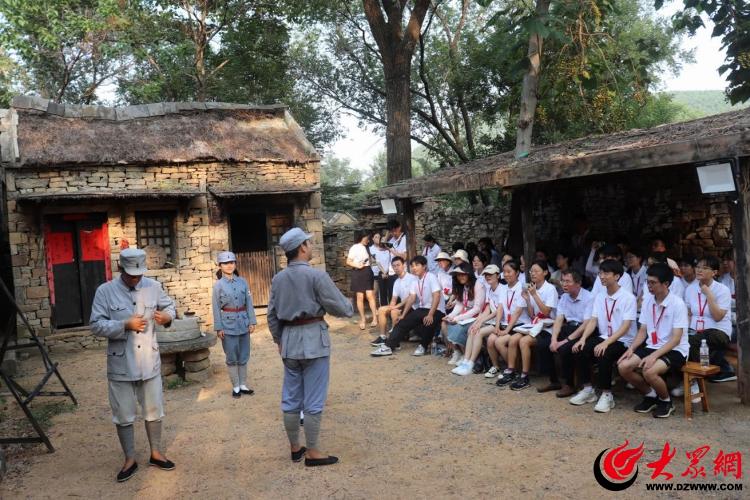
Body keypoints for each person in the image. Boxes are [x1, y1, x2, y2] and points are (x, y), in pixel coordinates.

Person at [268, 227, 354, 467]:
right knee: (314, 399)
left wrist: (278, 340)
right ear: (302, 248)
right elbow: (341, 308)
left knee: (291, 397)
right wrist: (348, 307)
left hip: (289, 340)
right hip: (314, 339)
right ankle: (313, 451)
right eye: (309, 242)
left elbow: (272, 316)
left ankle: (295, 448)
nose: (311, 246)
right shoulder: (317, 276)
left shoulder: (278, 278)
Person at [90, 248, 177, 482]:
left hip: (149, 361)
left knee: (154, 409)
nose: (135, 279)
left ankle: (156, 452)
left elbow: (170, 307)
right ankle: (129, 458)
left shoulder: (153, 286)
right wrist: (123, 325)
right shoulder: (105, 291)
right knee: (124, 414)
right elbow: (96, 325)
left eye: (138, 274)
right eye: (131, 275)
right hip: (121, 364)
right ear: (120, 268)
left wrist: (168, 317)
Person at [617, 263, 689, 418]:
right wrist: (631, 349)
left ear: (666, 284)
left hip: (675, 349)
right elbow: (643, 330)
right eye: (647, 282)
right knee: (623, 366)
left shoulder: (677, 304)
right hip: (653, 345)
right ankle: (651, 395)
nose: (649, 286)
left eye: (653, 283)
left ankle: (666, 401)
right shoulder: (648, 301)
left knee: (649, 371)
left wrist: (654, 356)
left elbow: (676, 339)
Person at [569, 259, 637, 413]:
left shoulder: (628, 298)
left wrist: (607, 343)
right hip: (605, 336)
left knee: (604, 353)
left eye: (606, 273)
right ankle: (588, 390)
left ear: (617, 276)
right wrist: (582, 339)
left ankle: (607, 395)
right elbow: (593, 320)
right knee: (580, 348)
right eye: (600, 273)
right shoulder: (600, 297)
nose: (602, 276)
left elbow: (626, 327)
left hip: (623, 340)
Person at [370, 256, 446, 357]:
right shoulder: (415, 281)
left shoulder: (431, 277)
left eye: (417, 265)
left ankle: (423, 346)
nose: (414, 268)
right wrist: (404, 315)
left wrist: (431, 314)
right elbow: (411, 298)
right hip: (422, 308)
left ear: (424, 266)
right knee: (402, 322)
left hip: (437, 309)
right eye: (413, 266)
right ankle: (388, 346)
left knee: (428, 322)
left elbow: (436, 295)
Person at [501, 260, 558, 391]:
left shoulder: (550, 289)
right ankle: (511, 371)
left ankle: (525, 375)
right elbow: (532, 314)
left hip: (548, 328)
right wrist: (527, 299)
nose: (533, 273)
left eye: (536, 271)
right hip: (535, 325)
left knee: (524, 341)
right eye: (531, 271)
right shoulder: (532, 287)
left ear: (545, 272)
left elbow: (546, 312)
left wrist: (533, 295)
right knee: (514, 339)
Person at [683, 255, 735, 384]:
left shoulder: (722, 290)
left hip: (718, 331)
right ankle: (686, 377)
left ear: (714, 273)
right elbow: (688, 314)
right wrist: (684, 330)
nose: (699, 270)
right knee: (680, 339)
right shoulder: (690, 289)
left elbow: (718, 317)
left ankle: (694, 381)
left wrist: (709, 296)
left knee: (693, 342)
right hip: (695, 329)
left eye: (705, 268)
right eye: (698, 267)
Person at [212, 251, 257, 399]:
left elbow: (249, 303)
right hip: (228, 325)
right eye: (225, 263)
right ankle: (236, 386)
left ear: (235, 264)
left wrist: (252, 321)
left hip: (243, 323)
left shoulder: (243, 282)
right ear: (220, 266)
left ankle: (243, 384)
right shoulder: (218, 285)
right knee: (231, 356)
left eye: (232, 262)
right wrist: (219, 327)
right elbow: (216, 307)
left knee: (244, 355)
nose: (229, 265)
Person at [545, 270, 593, 397]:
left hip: (584, 331)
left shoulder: (589, 297)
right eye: (562, 281)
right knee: (546, 343)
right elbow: (559, 319)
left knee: (565, 348)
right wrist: (554, 339)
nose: (564, 284)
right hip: (568, 327)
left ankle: (569, 384)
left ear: (578, 283)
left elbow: (586, 324)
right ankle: (554, 381)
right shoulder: (564, 297)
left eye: (568, 281)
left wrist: (565, 341)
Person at [451, 264, 502, 376]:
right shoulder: (490, 290)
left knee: (478, 332)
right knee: (473, 329)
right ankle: (466, 361)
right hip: (490, 321)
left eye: (490, 274)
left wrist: (481, 322)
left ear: (498, 275)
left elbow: (497, 311)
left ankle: (471, 363)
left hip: (500, 322)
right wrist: (478, 322)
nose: (488, 277)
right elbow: (487, 309)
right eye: (486, 275)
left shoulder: (502, 289)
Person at [491, 260, 532, 386]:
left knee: (500, 341)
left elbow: (518, 312)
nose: (506, 275)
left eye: (509, 272)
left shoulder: (522, 287)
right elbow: (500, 308)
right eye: (505, 272)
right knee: (492, 339)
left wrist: (506, 330)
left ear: (517, 273)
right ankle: (513, 369)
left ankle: (513, 370)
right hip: (507, 324)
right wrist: (497, 326)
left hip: (520, 325)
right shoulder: (503, 288)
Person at [443, 262, 486, 368]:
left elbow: (477, 308)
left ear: (469, 274)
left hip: (477, 317)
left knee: (459, 327)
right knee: (445, 323)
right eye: (458, 275)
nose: (460, 277)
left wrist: (458, 318)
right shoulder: (462, 287)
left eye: (463, 274)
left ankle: (464, 354)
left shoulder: (478, 285)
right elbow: (460, 304)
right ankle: (457, 351)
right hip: (465, 315)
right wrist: (451, 316)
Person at [370, 256, 417, 347]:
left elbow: (411, 297)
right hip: (402, 306)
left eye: (398, 265)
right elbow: (393, 300)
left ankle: (395, 340)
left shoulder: (412, 278)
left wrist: (395, 307)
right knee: (381, 309)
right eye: (394, 266)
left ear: (404, 265)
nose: (396, 268)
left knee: (394, 312)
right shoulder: (397, 282)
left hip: (413, 306)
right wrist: (391, 307)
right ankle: (383, 337)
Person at [347, 231, 378, 330]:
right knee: (359, 297)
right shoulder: (355, 247)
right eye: (367, 238)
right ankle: (363, 319)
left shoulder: (368, 247)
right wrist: (357, 265)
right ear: (362, 237)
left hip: (367, 271)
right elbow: (348, 261)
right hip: (358, 272)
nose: (368, 240)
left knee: (370, 295)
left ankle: (375, 318)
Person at [370, 231, 394, 308]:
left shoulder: (388, 250)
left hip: (388, 273)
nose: (379, 239)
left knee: (389, 292)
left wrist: (386, 272)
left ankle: (389, 309)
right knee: (377, 293)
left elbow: (390, 261)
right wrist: (383, 272)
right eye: (376, 237)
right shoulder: (372, 249)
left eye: (380, 238)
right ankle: (380, 310)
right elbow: (376, 262)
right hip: (377, 273)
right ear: (373, 239)